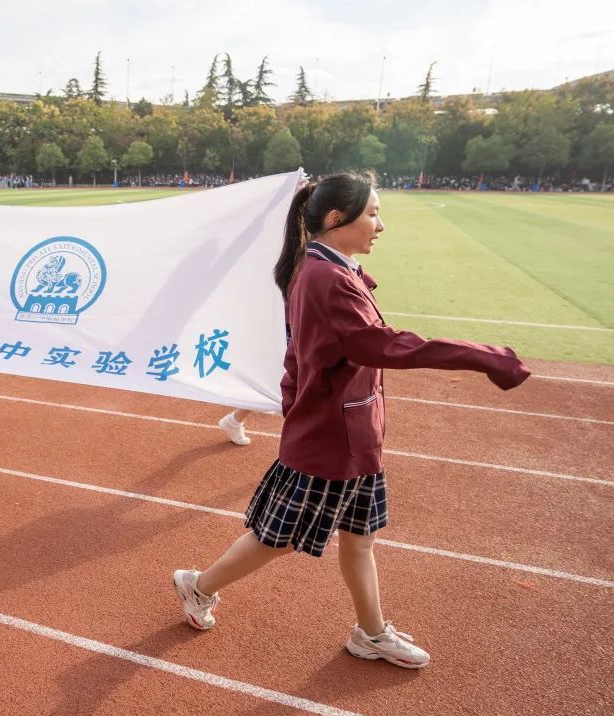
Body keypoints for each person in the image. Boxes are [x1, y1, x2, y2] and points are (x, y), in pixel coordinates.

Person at [173, 170, 530, 669]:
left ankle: (372, 633)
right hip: (331, 440)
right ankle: (198, 585)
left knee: (359, 540)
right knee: (279, 539)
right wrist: (482, 356)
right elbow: (380, 345)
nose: (380, 225)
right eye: (373, 214)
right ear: (338, 218)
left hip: (354, 433)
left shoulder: (325, 267)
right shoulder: (324, 276)